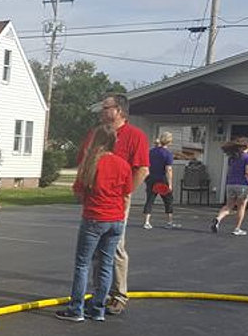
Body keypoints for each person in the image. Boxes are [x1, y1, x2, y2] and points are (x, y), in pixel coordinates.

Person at [75, 93, 148, 315]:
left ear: (120, 111)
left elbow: (142, 169)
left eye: (106, 107)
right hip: (94, 202)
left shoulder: (135, 136)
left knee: (114, 250)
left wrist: (125, 194)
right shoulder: (95, 134)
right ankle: (100, 296)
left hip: (115, 203)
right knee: (97, 253)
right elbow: (84, 163)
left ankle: (118, 295)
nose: (102, 111)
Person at [56, 128, 132, 323]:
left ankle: (76, 309)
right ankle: (98, 308)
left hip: (95, 217)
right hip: (116, 219)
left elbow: (78, 193)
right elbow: (126, 192)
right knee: (106, 264)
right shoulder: (123, 165)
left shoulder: (90, 165)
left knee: (83, 264)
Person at [212, 136, 248, 236]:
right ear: (247, 145)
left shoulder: (232, 158)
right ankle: (237, 228)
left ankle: (218, 218)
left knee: (228, 206)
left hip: (231, 184)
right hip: (242, 185)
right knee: (241, 207)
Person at [142, 131, 176, 229]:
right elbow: (168, 169)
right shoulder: (168, 154)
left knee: (150, 199)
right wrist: (170, 184)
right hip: (161, 179)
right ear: (169, 142)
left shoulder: (151, 152)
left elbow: (146, 164)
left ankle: (146, 222)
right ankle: (169, 222)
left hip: (151, 178)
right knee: (168, 199)